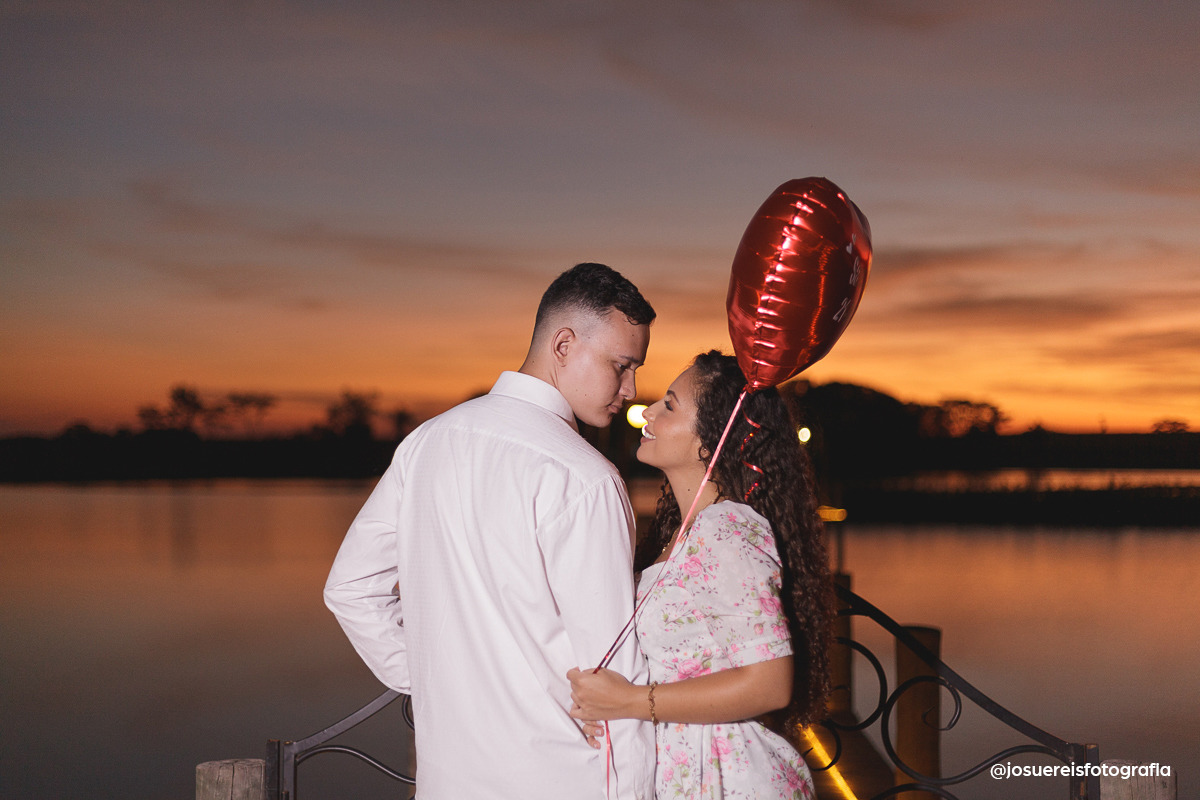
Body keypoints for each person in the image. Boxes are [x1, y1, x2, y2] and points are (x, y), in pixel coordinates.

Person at [324, 263, 657, 800]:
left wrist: (439, 675)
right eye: (621, 366)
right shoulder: (585, 479)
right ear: (564, 344)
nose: (632, 389)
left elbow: (349, 590)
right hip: (564, 781)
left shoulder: (426, 443)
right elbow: (613, 671)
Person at [568, 350, 834, 799]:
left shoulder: (726, 529)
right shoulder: (686, 530)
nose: (647, 411)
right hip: (684, 766)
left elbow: (769, 683)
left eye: (669, 405)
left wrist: (630, 702)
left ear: (709, 441)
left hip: (725, 776)